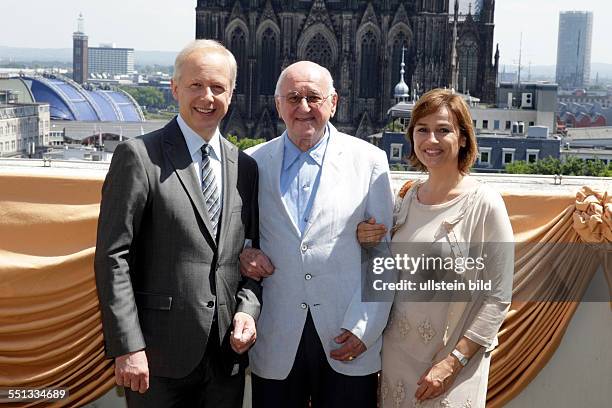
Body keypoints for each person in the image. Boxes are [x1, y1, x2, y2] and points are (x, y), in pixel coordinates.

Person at [94, 39, 261, 408]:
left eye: (218, 87)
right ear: (174, 88)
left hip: (224, 359)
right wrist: (128, 347)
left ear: (231, 94)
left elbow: (250, 256)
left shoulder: (245, 168)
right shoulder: (138, 157)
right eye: (196, 85)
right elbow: (113, 257)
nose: (207, 97)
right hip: (156, 358)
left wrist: (247, 311)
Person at [240, 60, 394, 407]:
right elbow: (239, 239)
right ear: (278, 105)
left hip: (347, 336)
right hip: (275, 338)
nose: (304, 108)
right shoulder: (251, 163)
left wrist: (364, 329)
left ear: (334, 103)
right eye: (293, 98)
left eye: (314, 97)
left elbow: (381, 257)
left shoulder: (370, 162)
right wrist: (243, 254)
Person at [357, 88, 514, 408]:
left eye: (444, 130)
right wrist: (366, 240)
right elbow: (384, 274)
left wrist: (453, 361)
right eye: (422, 129)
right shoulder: (404, 198)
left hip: (452, 362)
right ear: (411, 136)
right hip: (397, 357)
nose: (432, 139)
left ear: (464, 138)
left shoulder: (485, 203)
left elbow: (498, 297)